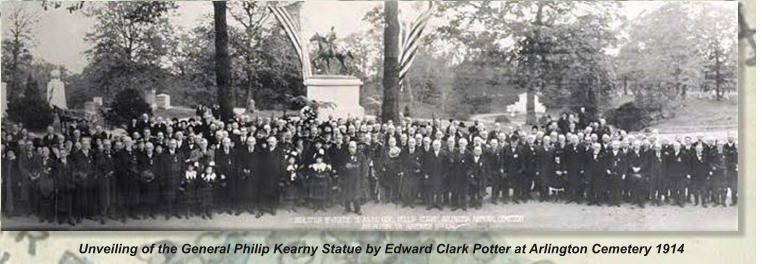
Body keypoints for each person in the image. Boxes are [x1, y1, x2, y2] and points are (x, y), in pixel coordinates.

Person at [340, 141, 366, 215]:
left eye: (353, 147)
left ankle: (357, 209)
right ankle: (347, 208)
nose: (351, 149)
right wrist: (345, 167)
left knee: (356, 194)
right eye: (350, 147)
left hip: (357, 178)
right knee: (346, 193)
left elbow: (364, 168)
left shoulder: (361, 155)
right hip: (347, 178)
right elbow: (341, 167)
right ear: (348, 148)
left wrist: (362, 179)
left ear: (356, 148)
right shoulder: (345, 155)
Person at [422, 139, 446, 210]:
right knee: (431, 189)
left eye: (438, 145)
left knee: (439, 189)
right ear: (433, 146)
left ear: (440, 146)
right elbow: (426, 164)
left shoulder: (443, 153)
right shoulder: (429, 153)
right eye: (435, 145)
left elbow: (446, 165)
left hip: (440, 175)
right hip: (431, 174)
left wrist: (445, 174)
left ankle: (439, 204)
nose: (436, 146)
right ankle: (431, 203)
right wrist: (426, 173)